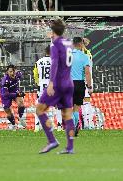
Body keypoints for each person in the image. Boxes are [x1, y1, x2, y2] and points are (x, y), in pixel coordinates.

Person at [36, 19, 75, 154]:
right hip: (69, 83)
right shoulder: (69, 43)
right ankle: (70, 147)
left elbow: (55, 63)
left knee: (40, 110)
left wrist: (51, 83)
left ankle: (52, 140)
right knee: (67, 115)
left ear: (53, 31)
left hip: (58, 84)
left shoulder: (54, 45)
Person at [33, 45, 63, 132]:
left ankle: (37, 127)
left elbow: (35, 75)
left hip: (42, 86)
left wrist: (39, 83)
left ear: (45, 52)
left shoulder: (38, 62)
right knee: (58, 105)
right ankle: (60, 126)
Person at [71, 37, 92, 136]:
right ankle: (75, 126)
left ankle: (73, 126)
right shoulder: (84, 56)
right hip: (79, 83)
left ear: (73, 44)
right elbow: (87, 73)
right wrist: (89, 86)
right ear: (80, 44)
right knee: (76, 107)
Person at [0, 64, 26, 130]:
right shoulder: (5, 80)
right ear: (7, 72)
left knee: (21, 103)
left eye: (13, 71)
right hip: (5, 94)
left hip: (14, 90)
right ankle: (14, 125)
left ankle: (20, 119)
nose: (12, 73)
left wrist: (18, 94)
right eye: (10, 71)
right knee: (8, 112)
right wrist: (17, 95)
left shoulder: (18, 74)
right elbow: (6, 94)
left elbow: (20, 73)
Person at [81, 38, 95, 129]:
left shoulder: (81, 54)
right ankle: (88, 124)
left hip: (82, 79)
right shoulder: (88, 53)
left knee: (83, 102)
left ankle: (87, 124)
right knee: (86, 102)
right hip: (87, 79)